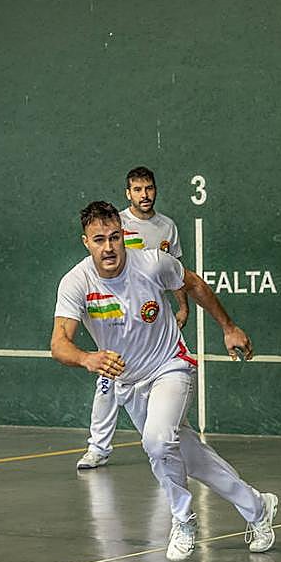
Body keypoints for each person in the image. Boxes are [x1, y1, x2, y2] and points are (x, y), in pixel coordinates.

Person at [51, 200, 277, 562]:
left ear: (123, 236)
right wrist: (87, 358)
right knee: (191, 457)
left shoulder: (152, 262)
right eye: (98, 240)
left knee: (157, 442)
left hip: (170, 365)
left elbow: (194, 284)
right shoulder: (76, 282)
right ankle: (258, 507)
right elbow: (59, 343)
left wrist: (229, 327)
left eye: (114, 238)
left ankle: (183, 518)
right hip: (130, 385)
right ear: (85, 242)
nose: (108, 248)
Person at [76, 166, 189, 470]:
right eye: (137, 189)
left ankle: (172, 444)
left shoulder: (168, 227)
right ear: (128, 194)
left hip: (153, 318)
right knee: (107, 379)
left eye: (149, 188)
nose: (144, 195)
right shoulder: (116, 225)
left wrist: (182, 307)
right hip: (118, 316)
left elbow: (177, 273)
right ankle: (98, 447)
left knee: (167, 386)